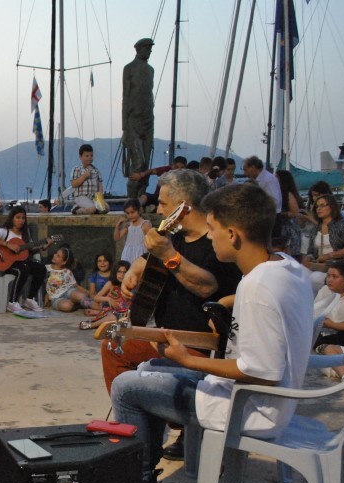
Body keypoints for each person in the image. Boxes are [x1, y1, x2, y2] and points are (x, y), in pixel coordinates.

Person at [110, 184, 312, 483]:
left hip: (247, 407)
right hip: (266, 398)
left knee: (126, 388)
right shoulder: (288, 267)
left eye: (214, 230)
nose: (210, 237)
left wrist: (187, 360)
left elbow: (262, 370)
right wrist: (223, 302)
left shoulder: (256, 286)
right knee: (149, 368)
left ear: (232, 234)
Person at [100, 169, 243, 395]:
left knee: (118, 352)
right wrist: (134, 270)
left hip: (199, 346)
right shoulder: (177, 236)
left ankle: (140, 416)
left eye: (163, 204)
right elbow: (149, 258)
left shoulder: (217, 242)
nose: (158, 210)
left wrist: (169, 255)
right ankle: (140, 417)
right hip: (168, 336)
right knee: (113, 343)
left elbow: (207, 286)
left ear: (182, 206)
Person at [0, 206, 49, 312]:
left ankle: (29, 299)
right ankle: (12, 302)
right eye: (18, 217)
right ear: (12, 218)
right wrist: (7, 244)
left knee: (41, 268)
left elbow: (27, 251)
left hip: (20, 262)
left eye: (23, 218)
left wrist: (43, 247)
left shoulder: (25, 235)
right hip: (4, 263)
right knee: (23, 269)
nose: (21, 220)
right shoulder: (4, 231)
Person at [122, 38, 155, 200]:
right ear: (139, 49)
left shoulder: (151, 70)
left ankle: (140, 197)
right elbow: (126, 97)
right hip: (133, 122)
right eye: (147, 49)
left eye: (150, 49)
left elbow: (150, 96)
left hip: (148, 120)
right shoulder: (129, 69)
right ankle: (131, 200)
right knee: (139, 162)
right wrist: (125, 128)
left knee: (146, 164)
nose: (149, 52)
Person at [79, 260, 131, 330]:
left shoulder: (131, 286)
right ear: (115, 272)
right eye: (119, 272)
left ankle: (108, 325)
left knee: (127, 319)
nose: (122, 275)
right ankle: (91, 325)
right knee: (115, 317)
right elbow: (96, 298)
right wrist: (108, 299)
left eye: (124, 272)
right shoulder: (110, 284)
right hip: (112, 313)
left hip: (126, 314)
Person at [312, 260, 344, 349]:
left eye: (335, 277)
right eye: (328, 276)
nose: (330, 280)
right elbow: (315, 313)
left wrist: (334, 325)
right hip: (323, 332)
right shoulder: (324, 290)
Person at [45, 245, 93, 312]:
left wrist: (90, 293)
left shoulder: (67, 272)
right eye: (56, 253)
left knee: (81, 296)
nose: (55, 255)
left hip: (68, 291)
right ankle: (77, 304)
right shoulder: (46, 269)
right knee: (67, 306)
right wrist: (46, 295)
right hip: (56, 298)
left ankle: (95, 307)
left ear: (64, 262)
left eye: (58, 256)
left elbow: (76, 286)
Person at [274, 169, 304, 258]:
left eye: (276, 178)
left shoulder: (288, 194)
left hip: (288, 228)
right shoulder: (277, 193)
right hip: (280, 226)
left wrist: (280, 214)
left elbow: (295, 212)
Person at [114, 199, 152, 264]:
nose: (130, 215)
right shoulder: (128, 225)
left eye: (133, 212)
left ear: (139, 210)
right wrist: (117, 226)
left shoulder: (145, 224)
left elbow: (151, 242)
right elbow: (117, 238)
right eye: (128, 213)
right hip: (127, 254)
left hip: (140, 254)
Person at [70, 144, 104, 214]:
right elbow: (73, 184)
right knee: (93, 208)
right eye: (87, 156)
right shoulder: (77, 169)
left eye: (91, 155)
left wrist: (100, 196)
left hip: (94, 197)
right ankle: (77, 208)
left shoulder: (96, 170)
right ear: (80, 157)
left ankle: (79, 208)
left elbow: (100, 185)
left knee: (104, 209)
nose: (89, 158)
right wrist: (84, 176)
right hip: (81, 196)